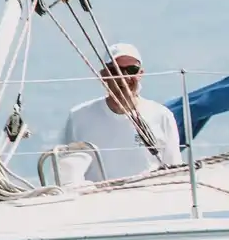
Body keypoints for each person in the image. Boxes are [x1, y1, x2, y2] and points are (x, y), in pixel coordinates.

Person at [58, 43, 182, 182]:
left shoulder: (162, 115)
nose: (124, 77)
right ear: (104, 75)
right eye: (115, 71)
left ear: (140, 73)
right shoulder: (78, 117)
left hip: (148, 196)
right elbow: (66, 172)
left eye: (132, 69)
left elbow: (174, 169)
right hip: (95, 199)